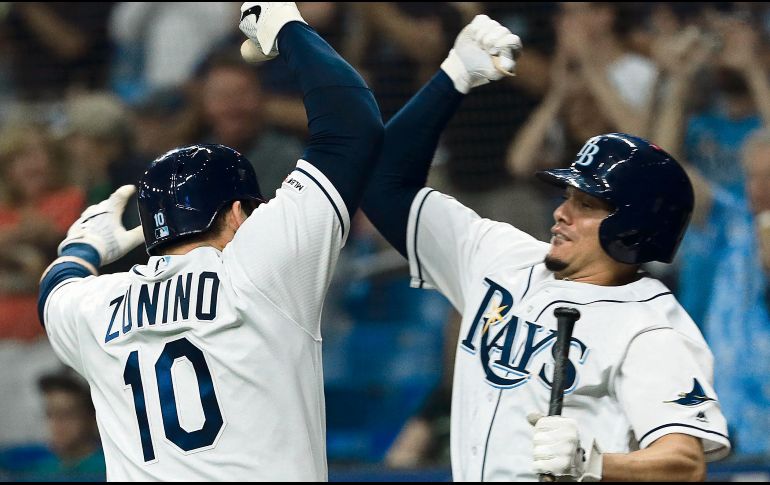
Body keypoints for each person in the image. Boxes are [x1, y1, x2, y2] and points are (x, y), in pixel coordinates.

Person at [361, 14, 730, 481]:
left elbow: (683, 465)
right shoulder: (500, 256)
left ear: (633, 227)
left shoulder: (651, 329)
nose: (561, 212)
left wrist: (593, 463)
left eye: (586, 203)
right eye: (566, 197)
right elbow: (382, 186)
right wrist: (454, 76)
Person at [37, 2, 383, 481]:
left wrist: (85, 247)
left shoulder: (98, 306)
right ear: (239, 213)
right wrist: (289, 29)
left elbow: (54, 291)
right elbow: (353, 124)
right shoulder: (263, 270)